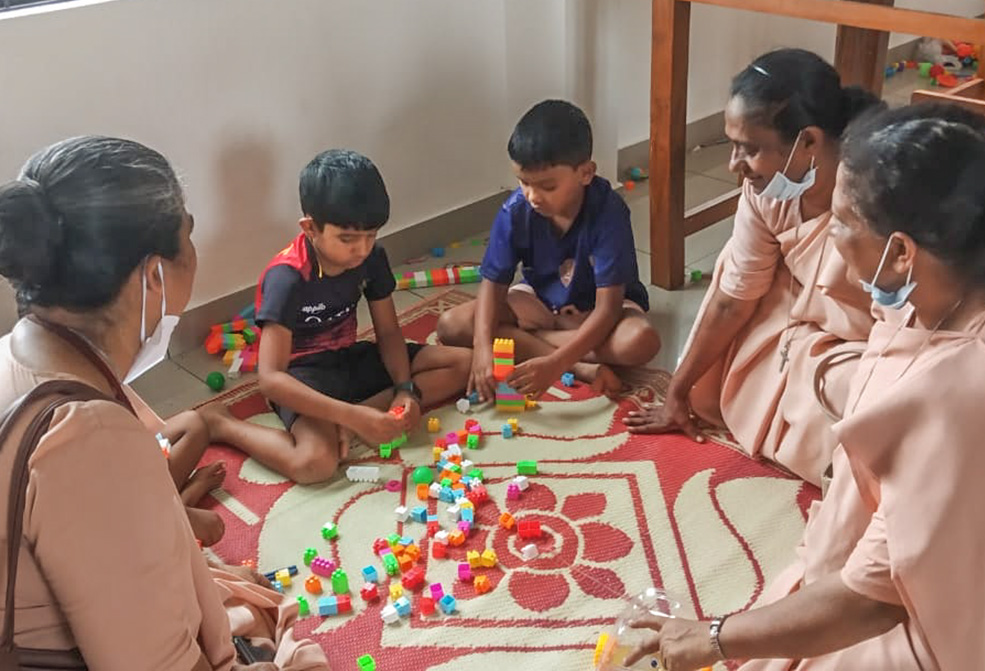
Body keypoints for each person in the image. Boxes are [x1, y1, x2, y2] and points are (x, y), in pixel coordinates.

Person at [624, 104, 985, 671]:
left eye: (844, 223)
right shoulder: (929, 292)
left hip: (935, 627)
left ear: (901, 252)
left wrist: (716, 637)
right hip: (866, 563)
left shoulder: (963, 384)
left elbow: (876, 599)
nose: (832, 239)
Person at [0, 135, 328, 669]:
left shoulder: (22, 353)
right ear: (154, 273)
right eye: (189, 235)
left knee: (237, 593)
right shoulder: (90, 440)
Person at [625, 49, 882, 486]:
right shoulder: (767, 190)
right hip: (798, 312)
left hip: (868, 334)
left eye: (750, 150)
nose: (733, 166)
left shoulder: (877, 196)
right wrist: (679, 390)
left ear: (809, 142)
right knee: (733, 268)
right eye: (731, 145)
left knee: (864, 409)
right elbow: (732, 299)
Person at [207, 149, 470, 485]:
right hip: (302, 377)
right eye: (347, 239)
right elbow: (271, 379)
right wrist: (354, 414)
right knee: (315, 464)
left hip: (349, 359)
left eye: (370, 236)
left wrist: (405, 390)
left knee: (464, 363)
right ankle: (223, 424)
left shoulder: (371, 258)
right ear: (310, 228)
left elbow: (388, 332)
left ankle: (354, 421)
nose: (361, 250)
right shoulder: (287, 277)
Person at [436, 99, 660, 399]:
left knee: (640, 341)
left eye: (547, 186)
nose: (532, 196)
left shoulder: (609, 211)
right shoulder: (515, 211)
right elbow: (493, 285)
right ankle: (582, 366)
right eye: (523, 182)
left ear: (586, 173)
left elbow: (607, 310)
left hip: (599, 313)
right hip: (539, 304)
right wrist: (482, 348)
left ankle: (536, 344)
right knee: (452, 325)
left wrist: (555, 364)